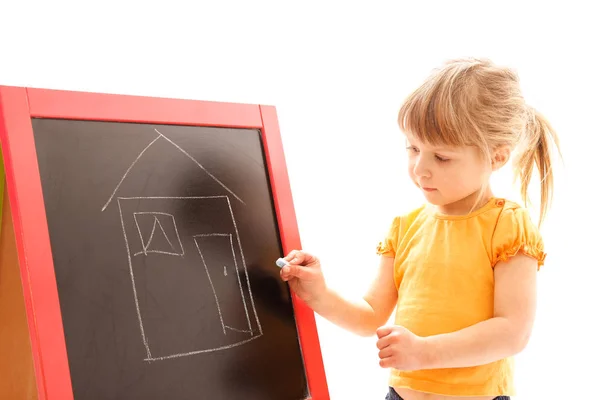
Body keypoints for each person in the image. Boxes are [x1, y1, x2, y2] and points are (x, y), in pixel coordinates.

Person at [279, 58, 560, 400]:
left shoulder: (506, 226)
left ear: (497, 157)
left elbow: (512, 332)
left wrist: (424, 353)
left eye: (441, 157)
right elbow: (370, 316)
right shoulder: (406, 227)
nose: (420, 169)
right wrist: (318, 294)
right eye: (412, 148)